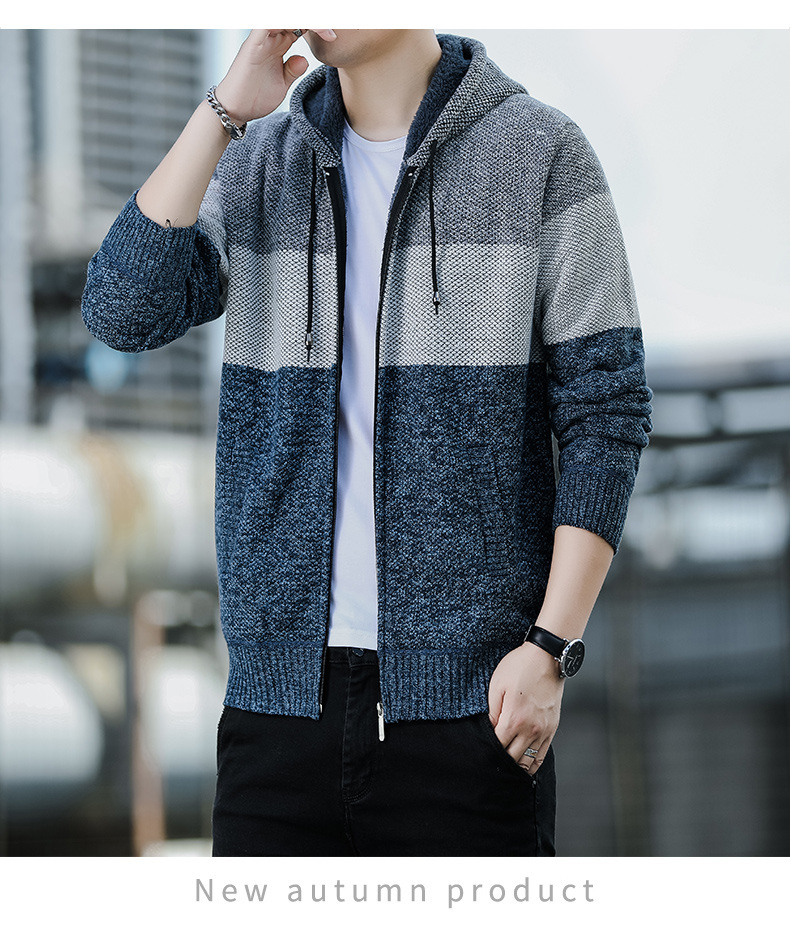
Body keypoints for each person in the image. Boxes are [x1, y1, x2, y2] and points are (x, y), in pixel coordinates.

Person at [81, 29, 652, 856]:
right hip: (277, 718)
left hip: (473, 714)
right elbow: (121, 310)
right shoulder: (259, 163)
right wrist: (223, 112)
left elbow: (607, 412)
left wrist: (550, 648)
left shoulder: (541, 154)